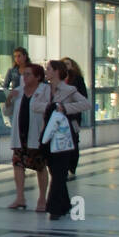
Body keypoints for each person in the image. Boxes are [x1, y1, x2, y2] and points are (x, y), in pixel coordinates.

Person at [44, 59, 90, 221]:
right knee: (54, 171)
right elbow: (35, 105)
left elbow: (86, 104)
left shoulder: (69, 90)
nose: (46, 71)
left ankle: (54, 207)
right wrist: (49, 108)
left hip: (63, 135)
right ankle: (63, 204)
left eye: (48, 69)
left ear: (57, 71)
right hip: (46, 134)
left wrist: (65, 109)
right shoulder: (44, 89)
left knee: (58, 173)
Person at [8, 63, 51, 212]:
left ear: (38, 77)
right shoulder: (19, 91)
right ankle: (20, 197)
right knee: (18, 164)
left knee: (40, 166)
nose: (24, 77)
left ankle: (42, 198)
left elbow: (49, 109)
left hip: (37, 134)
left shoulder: (45, 90)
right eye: (23, 74)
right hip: (20, 134)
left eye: (28, 74)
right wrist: (9, 99)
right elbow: (8, 112)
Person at [61, 57, 88, 178]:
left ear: (73, 65)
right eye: (63, 64)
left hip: (74, 117)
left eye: (68, 64)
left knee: (74, 139)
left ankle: (72, 166)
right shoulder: (59, 80)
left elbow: (84, 98)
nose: (66, 66)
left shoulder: (77, 79)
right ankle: (64, 166)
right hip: (61, 117)